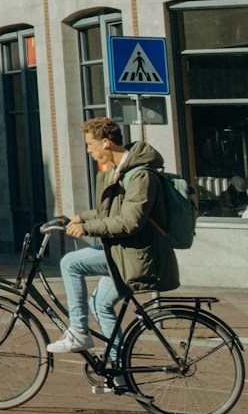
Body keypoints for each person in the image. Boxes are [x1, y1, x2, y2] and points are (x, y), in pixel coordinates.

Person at [48, 116, 180, 354]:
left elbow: (131, 221)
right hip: (123, 252)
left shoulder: (140, 175)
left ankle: (78, 332)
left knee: (70, 263)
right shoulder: (118, 171)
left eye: (90, 144)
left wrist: (87, 228)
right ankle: (118, 371)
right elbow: (108, 212)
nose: (88, 150)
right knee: (100, 305)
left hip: (138, 256)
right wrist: (79, 218)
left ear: (106, 143)